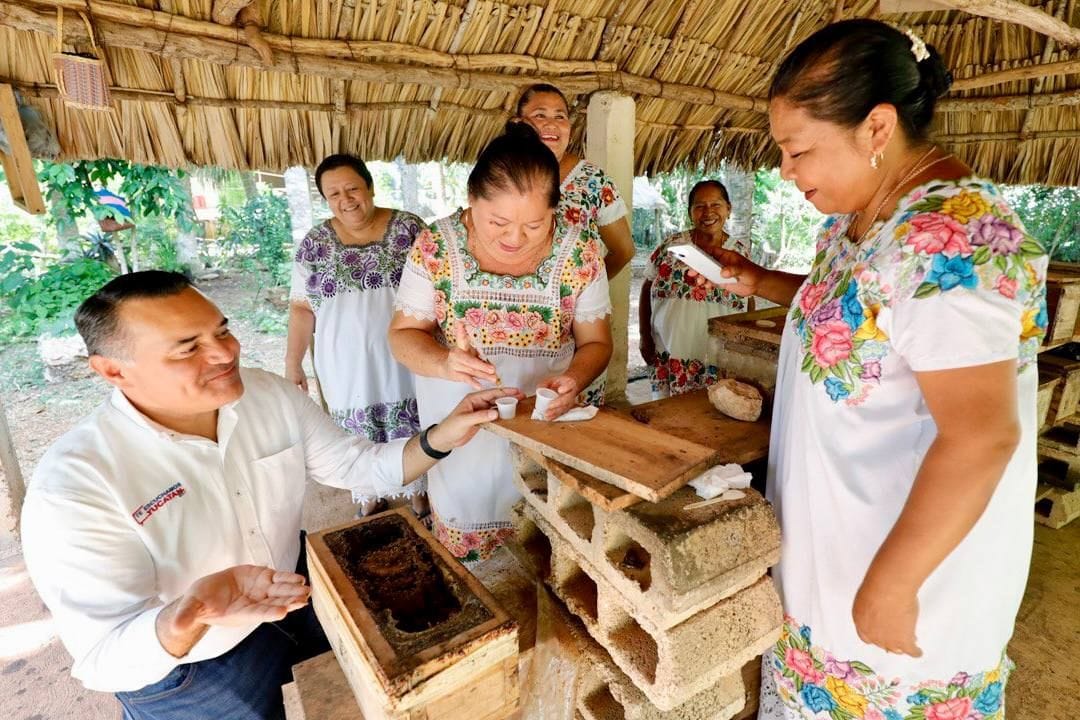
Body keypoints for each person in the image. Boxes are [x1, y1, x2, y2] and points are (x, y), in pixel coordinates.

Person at [701, 20, 1048, 719]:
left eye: (798, 151)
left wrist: (893, 582)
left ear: (876, 127)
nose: (787, 172)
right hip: (836, 551)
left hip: (906, 576)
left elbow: (980, 436)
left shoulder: (954, 239)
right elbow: (863, 311)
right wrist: (762, 280)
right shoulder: (861, 220)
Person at [20, 271, 519, 720]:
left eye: (222, 330)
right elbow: (104, 655)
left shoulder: (267, 396)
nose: (224, 353)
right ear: (111, 371)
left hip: (297, 592)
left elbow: (357, 466)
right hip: (196, 667)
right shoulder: (74, 486)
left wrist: (444, 434)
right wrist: (190, 614)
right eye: (187, 348)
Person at [389, 122, 613, 563]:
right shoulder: (436, 245)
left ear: (555, 209)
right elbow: (402, 336)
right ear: (471, 201)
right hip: (460, 426)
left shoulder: (580, 251)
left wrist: (573, 377)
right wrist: (445, 363)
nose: (514, 238)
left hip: (545, 429)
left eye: (534, 224)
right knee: (473, 562)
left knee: (549, 547)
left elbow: (597, 343)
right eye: (498, 222)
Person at [285, 154, 428, 519]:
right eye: (333, 193)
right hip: (343, 359)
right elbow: (302, 308)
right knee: (356, 430)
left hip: (406, 352)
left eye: (353, 188)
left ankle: (417, 489)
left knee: (412, 419)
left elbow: (439, 290)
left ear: (370, 187)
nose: (345, 199)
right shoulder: (315, 243)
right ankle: (368, 491)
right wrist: (294, 363)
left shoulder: (409, 230)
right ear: (325, 199)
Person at [516, 83, 633, 405]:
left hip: (574, 330)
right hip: (514, 323)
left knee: (569, 406)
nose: (552, 124)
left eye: (561, 116)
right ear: (518, 123)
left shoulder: (593, 182)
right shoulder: (504, 174)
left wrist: (581, 295)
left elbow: (624, 250)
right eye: (540, 115)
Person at [639, 180, 750, 398]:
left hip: (715, 355)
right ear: (690, 212)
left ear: (728, 209)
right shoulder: (672, 246)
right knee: (666, 413)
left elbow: (749, 299)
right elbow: (647, 285)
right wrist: (645, 336)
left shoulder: (740, 253)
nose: (708, 212)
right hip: (669, 352)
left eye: (716, 205)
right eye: (699, 206)